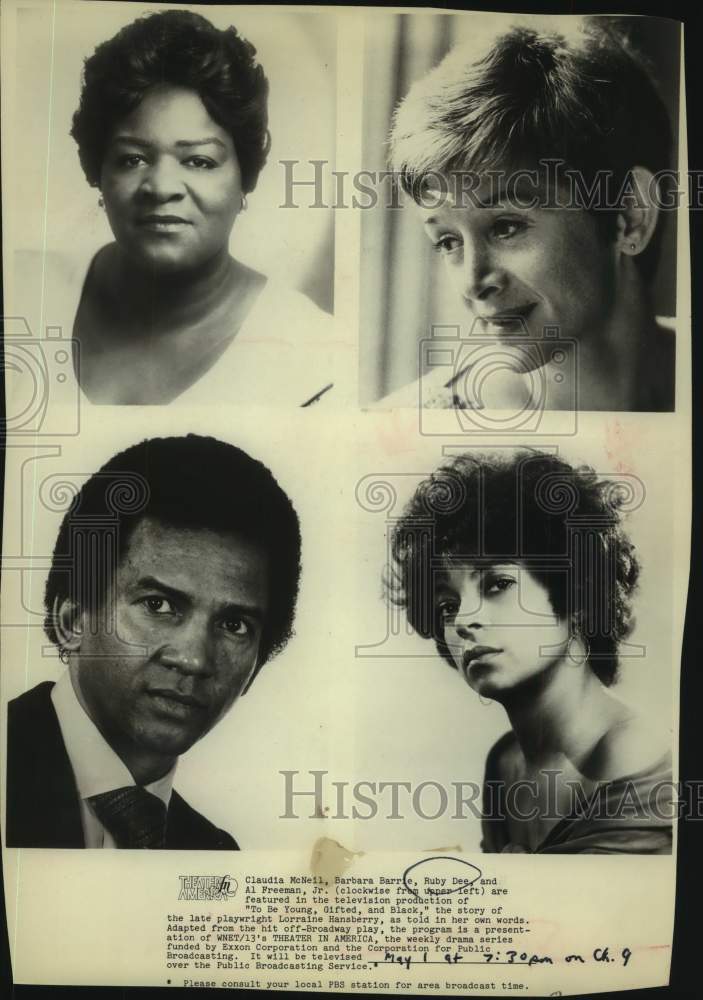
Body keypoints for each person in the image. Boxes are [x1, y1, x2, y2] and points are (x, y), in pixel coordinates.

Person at [32, 9, 343, 406]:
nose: (161, 188)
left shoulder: (313, 355)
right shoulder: (27, 293)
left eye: (198, 161)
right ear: (97, 171)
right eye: (133, 158)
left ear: (245, 179)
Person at [5, 434, 301, 849]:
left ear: (256, 666)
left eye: (235, 625)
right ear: (72, 620)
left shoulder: (214, 855)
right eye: (159, 605)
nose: (195, 659)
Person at [382, 16, 676, 411]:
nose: (473, 283)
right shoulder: (406, 429)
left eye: (506, 227)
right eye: (448, 241)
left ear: (630, 213)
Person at [386, 450, 672, 854]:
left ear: (576, 593)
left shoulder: (636, 756)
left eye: (497, 584)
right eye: (447, 606)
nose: (463, 620)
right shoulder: (504, 763)